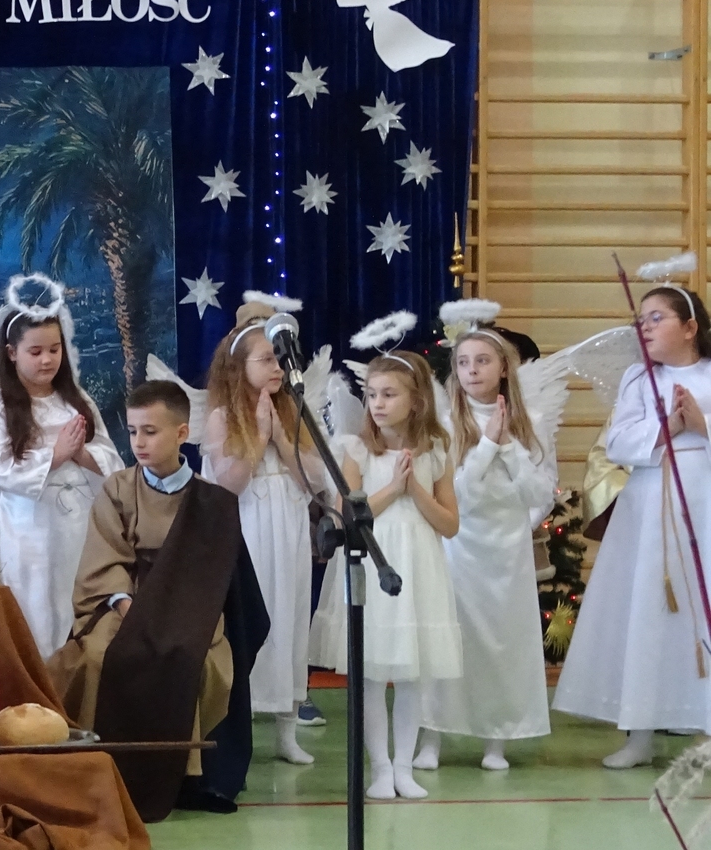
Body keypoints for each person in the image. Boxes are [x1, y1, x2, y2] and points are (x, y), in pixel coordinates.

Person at [51, 380, 264, 814]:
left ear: (182, 433)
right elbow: (105, 558)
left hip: (190, 609)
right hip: (125, 603)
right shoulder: (117, 488)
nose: (139, 442)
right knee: (99, 656)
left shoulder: (211, 501)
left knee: (191, 657)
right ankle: (100, 763)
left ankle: (189, 776)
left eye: (150, 431)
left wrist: (175, 616)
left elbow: (212, 575)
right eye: (133, 431)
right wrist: (129, 606)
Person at [555, 282, 711, 767]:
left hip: (705, 503)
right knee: (649, 611)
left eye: (657, 318)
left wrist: (701, 424)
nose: (645, 327)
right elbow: (618, 443)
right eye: (640, 319)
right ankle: (639, 734)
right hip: (649, 510)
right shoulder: (637, 379)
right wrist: (668, 426)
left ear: (690, 327)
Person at [309, 346, 461, 800]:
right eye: (372, 394)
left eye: (389, 394)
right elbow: (347, 515)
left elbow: (450, 524)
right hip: (371, 561)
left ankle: (404, 768)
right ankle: (379, 768)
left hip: (418, 566)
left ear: (416, 401)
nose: (377, 403)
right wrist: (395, 487)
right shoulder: (356, 449)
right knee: (371, 674)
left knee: (412, 676)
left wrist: (415, 488)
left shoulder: (437, 450)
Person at [418, 323, 554, 770]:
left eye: (482, 361)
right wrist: (487, 446)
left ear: (503, 369)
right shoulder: (442, 425)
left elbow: (541, 493)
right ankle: (432, 736)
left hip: (508, 549)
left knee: (503, 641)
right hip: (459, 544)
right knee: (451, 636)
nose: (472, 370)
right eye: (463, 363)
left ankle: (497, 739)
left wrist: (508, 446)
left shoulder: (531, 422)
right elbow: (456, 495)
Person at [202, 300, 327, 765]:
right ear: (240, 367)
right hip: (248, 535)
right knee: (249, 625)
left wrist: (280, 438)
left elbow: (315, 481)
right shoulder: (222, 417)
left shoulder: (294, 412)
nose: (277, 368)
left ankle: (287, 732)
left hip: (289, 534)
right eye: (267, 360)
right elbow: (229, 484)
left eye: (280, 359)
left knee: (289, 619)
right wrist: (257, 437)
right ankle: (238, 729)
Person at [0, 276, 121, 658]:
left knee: (80, 604)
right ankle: (39, 682)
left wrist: (80, 455)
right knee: (37, 608)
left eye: (54, 350)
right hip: (31, 530)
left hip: (81, 523)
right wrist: (55, 455)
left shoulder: (76, 398)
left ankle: (80, 681)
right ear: (11, 353)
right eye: (35, 351)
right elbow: (1, 468)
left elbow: (109, 456)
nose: (46, 360)